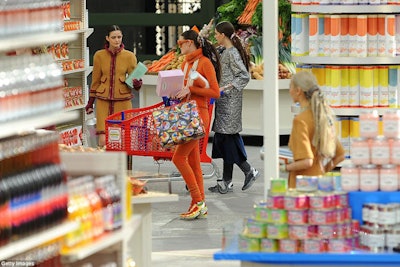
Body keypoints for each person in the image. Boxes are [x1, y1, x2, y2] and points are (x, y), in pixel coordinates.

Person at [172, 29, 221, 220]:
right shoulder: (186, 64)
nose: (179, 46)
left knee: (178, 158)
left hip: (198, 116)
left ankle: (198, 201)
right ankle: (199, 204)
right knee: (193, 163)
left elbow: (215, 92)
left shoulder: (205, 63)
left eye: (180, 43)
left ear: (190, 43)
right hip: (188, 116)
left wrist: (190, 88)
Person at [208, 21, 259, 194]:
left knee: (227, 140)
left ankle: (248, 170)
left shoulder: (233, 53)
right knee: (224, 138)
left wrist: (224, 88)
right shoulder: (223, 51)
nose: (215, 36)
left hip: (230, 102)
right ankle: (227, 182)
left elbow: (244, 76)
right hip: (223, 102)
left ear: (222, 35)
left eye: (216, 33)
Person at [282, 71, 345, 188]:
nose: (289, 91)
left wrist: (284, 167)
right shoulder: (323, 116)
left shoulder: (300, 121)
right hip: (320, 183)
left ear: (298, 90)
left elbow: (307, 161)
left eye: (290, 86)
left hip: (302, 186)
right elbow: (340, 155)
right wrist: (323, 170)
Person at [85, 25, 143, 147]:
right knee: (102, 139)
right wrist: (90, 103)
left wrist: (138, 84)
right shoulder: (99, 56)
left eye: (119, 37)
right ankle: (105, 165)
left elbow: (135, 81)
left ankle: (122, 165)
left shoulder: (129, 56)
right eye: (114, 37)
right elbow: (95, 81)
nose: (117, 40)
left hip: (123, 101)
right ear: (107, 38)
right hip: (103, 101)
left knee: (121, 138)